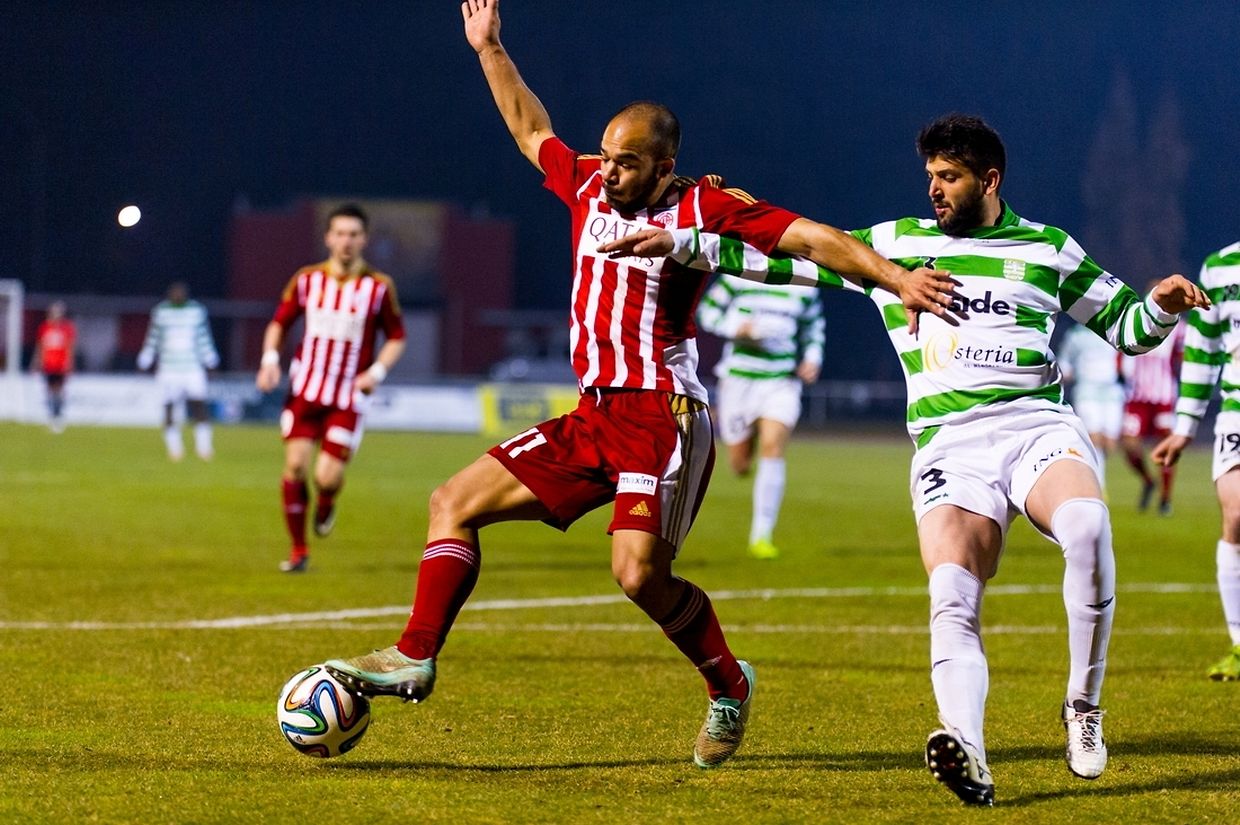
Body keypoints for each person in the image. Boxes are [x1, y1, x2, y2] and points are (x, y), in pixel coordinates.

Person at [324, 0, 953, 772]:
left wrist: (895, 278)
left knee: (637, 575)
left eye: (626, 161)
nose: (608, 170)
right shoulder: (589, 187)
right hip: (593, 415)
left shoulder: (705, 208)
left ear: (664, 165)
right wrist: (489, 48)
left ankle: (729, 684)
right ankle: (416, 654)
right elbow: (529, 129)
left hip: (666, 418)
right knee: (451, 501)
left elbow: (812, 239)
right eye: (605, 156)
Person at [599, 114, 1208, 802]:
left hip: (1035, 426)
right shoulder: (894, 247)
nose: (935, 190)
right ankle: (967, 748)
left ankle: (1084, 707)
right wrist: (685, 242)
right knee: (952, 591)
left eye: (950, 177)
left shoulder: (1047, 248)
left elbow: (1128, 327)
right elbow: (790, 258)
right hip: (950, 443)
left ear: (990, 180)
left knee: (1089, 527)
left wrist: (1161, 306)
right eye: (930, 177)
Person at [255, 203, 406, 573]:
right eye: (340, 233)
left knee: (327, 477)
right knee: (295, 466)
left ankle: (326, 502)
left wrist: (376, 373)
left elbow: (397, 336)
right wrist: (270, 360)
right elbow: (279, 323)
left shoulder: (378, 287)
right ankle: (299, 551)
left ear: (364, 239)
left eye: (353, 234)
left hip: (347, 398)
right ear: (328, 238)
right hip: (305, 392)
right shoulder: (306, 280)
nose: (346, 241)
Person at [1153, 240, 1240, 681]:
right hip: (1237, 411)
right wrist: (1185, 425)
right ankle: (1239, 644)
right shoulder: (1221, 268)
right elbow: (1203, 349)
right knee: (1237, 514)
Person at [696, 273, 825, 558]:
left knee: (773, 446)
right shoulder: (738, 276)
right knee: (740, 465)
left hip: (781, 381)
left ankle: (761, 535)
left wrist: (813, 358)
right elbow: (706, 312)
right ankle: (747, 436)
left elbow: (814, 326)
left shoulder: (803, 282)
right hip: (738, 381)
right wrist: (735, 328)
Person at [137, 282, 220, 461]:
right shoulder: (161, 311)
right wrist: (147, 356)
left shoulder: (196, 311)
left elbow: (203, 337)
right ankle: (175, 448)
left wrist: (210, 358)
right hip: (168, 369)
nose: (177, 294)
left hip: (192, 367)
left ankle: (204, 447)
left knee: (199, 405)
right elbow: (154, 337)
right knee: (169, 407)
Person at [1119, 309, 1186, 514]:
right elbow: (1120, 353)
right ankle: (1148, 480)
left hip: (1164, 398)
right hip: (1137, 397)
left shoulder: (1179, 329)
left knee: (1166, 445)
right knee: (1129, 444)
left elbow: (1184, 359)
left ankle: (1165, 498)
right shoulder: (1136, 318)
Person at [1057, 322, 1124, 487]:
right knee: (1094, 438)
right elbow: (1065, 362)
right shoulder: (1076, 335)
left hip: (1111, 392)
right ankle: (1098, 485)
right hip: (1087, 390)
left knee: (1110, 443)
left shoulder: (1113, 330)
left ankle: (1095, 474)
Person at [31, 300, 75, 433]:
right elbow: (40, 346)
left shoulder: (66, 328)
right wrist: (36, 361)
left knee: (59, 391)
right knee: (49, 391)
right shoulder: (44, 328)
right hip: (48, 364)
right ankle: (51, 416)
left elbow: (70, 347)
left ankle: (59, 416)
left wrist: (69, 362)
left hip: (60, 365)